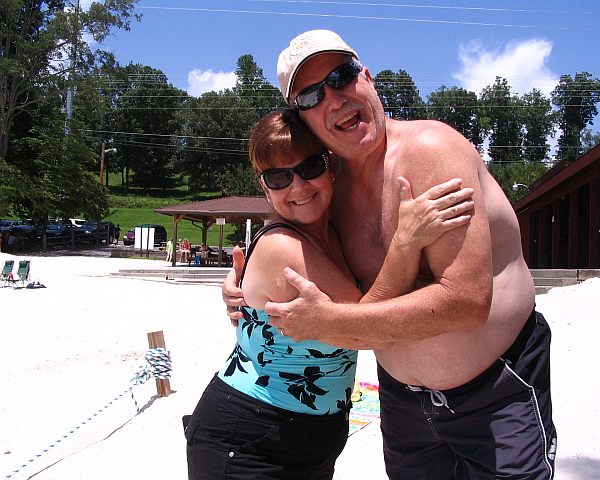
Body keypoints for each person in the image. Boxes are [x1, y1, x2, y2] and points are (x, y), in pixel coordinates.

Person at [223, 30, 556, 479]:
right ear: (303, 118)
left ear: (367, 76)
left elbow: (466, 302)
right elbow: (285, 241)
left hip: (496, 393)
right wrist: (245, 289)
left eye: (341, 77)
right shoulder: (326, 185)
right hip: (402, 405)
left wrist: (331, 323)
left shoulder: (430, 151)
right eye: (312, 96)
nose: (334, 99)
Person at [186, 108, 474, 479]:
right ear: (264, 187)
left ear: (330, 167)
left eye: (310, 168)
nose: (298, 187)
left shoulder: (334, 229)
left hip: (309, 436)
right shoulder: (282, 246)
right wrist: (406, 241)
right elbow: (364, 329)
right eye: (278, 177)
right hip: (249, 435)